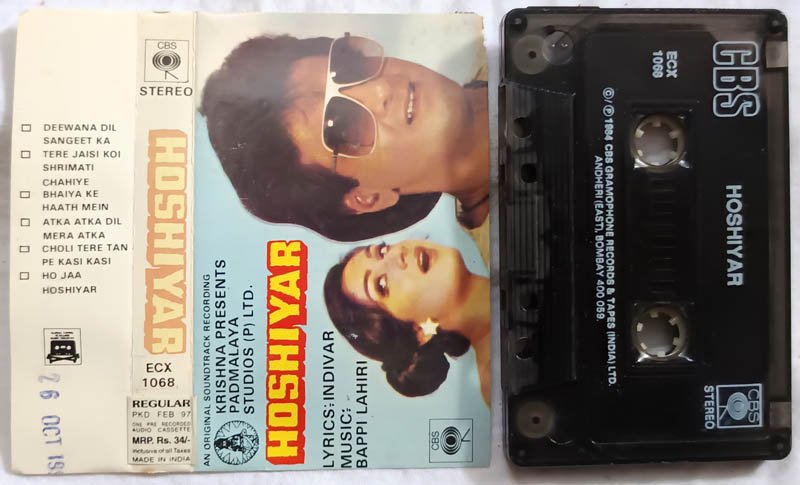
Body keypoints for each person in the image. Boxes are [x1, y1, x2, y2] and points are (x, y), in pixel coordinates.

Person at [201, 34, 489, 244]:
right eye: (344, 124)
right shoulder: (498, 271)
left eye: (351, 68)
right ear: (368, 198)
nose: (380, 89)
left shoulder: (495, 40)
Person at [324, 240, 490, 405]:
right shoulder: (495, 377)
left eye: (382, 251)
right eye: (381, 285)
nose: (398, 254)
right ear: (419, 332)